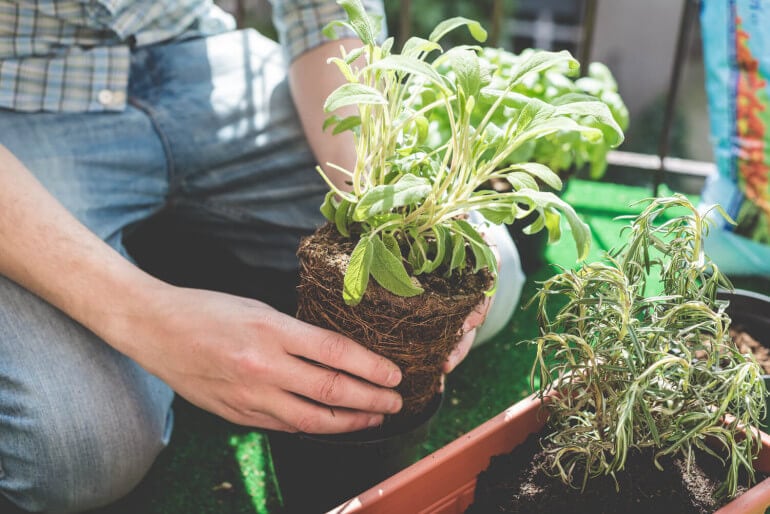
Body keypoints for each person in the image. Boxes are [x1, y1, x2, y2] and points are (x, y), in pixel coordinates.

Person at [0, 0, 523, 512]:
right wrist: (145, 316)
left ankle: (176, 257)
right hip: (18, 102)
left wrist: (385, 210)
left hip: (200, 57)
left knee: (491, 272)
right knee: (82, 456)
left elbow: (323, 13)